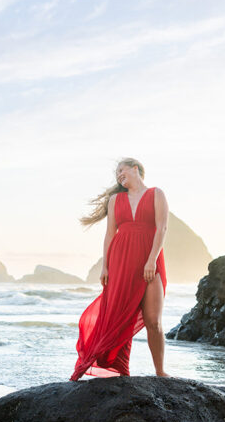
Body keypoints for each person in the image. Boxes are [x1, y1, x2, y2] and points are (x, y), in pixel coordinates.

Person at [72, 158, 169, 380]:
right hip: (121, 261)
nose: (119, 175)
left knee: (153, 321)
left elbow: (162, 227)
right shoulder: (116, 200)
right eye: (117, 173)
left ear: (136, 169)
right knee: (120, 317)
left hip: (149, 258)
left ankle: (160, 371)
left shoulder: (156, 193)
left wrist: (151, 260)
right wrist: (105, 267)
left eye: (121, 170)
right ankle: (121, 369)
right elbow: (109, 235)